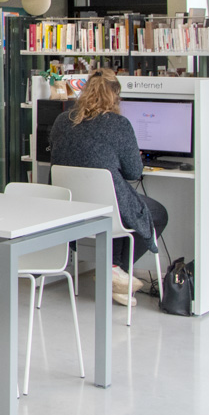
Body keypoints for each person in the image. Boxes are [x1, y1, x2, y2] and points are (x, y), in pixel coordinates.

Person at [50, 68, 169, 306]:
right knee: (155, 213)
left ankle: (115, 270)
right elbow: (134, 172)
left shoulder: (62, 120)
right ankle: (114, 270)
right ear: (115, 96)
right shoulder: (118, 125)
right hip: (108, 207)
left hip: (72, 207)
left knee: (123, 207)